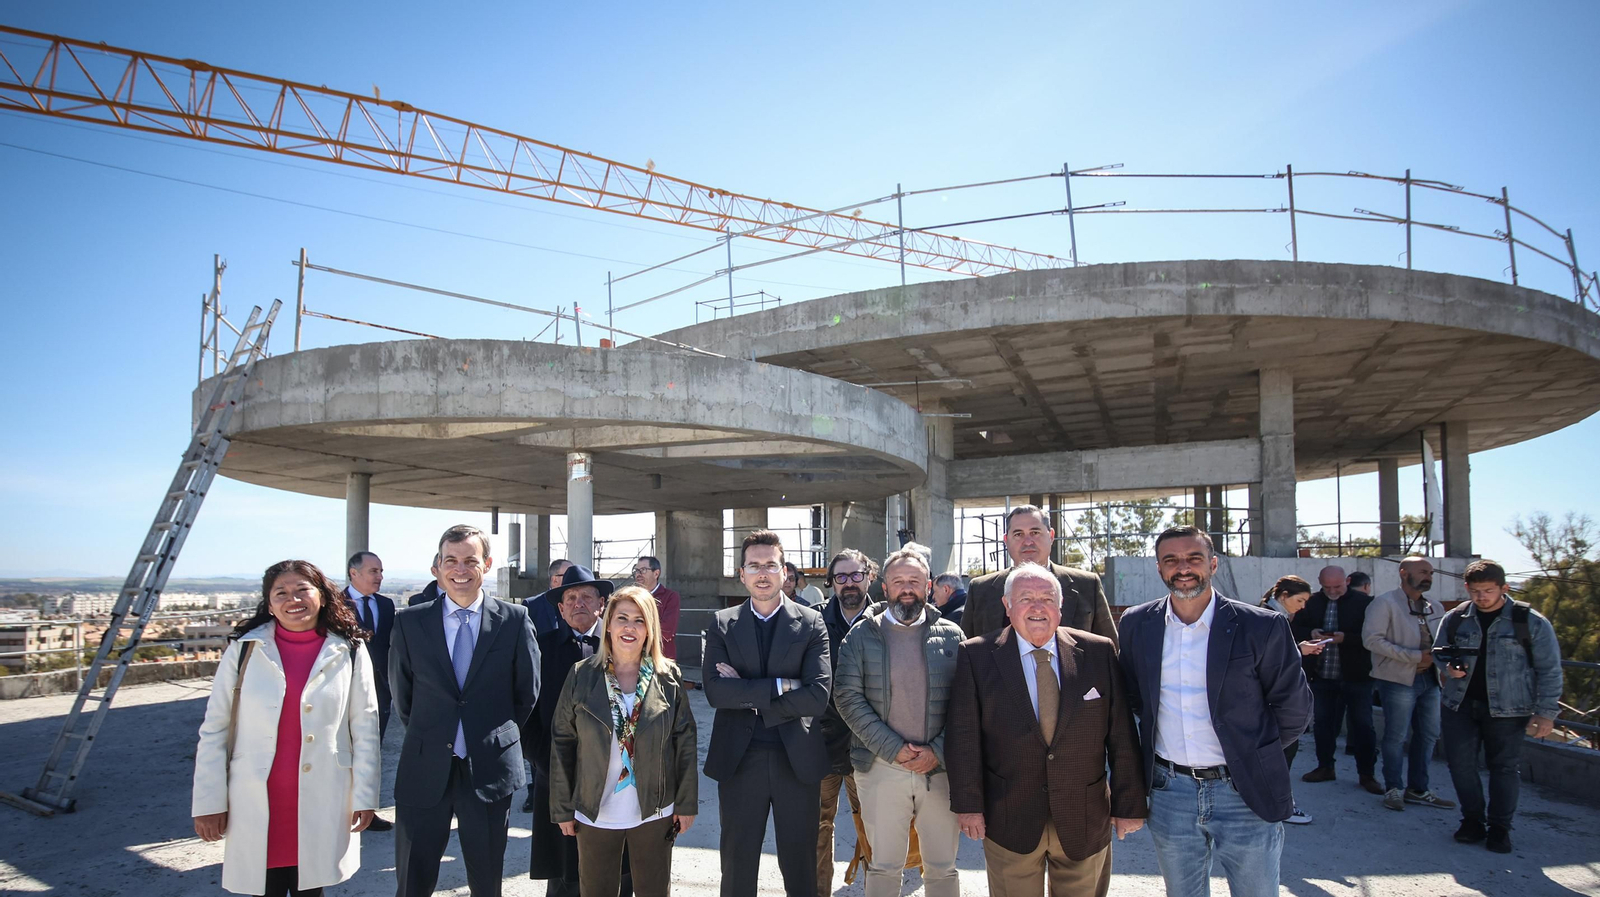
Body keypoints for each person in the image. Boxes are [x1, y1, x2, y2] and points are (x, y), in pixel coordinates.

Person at [1118, 527, 1311, 897]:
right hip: (1169, 792)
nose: (1183, 567)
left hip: (1243, 791)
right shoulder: (1136, 624)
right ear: (1159, 568)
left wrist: (1255, 754)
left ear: (1214, 564)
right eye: (1171, 560)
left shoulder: (1262, 625)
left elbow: (1294, 708)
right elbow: (1135, 696)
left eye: (1194, 558)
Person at [947, 561, 1145, 897]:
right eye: (1025, 598)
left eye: (1047, 598)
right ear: (1007, 606)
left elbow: (1122, 735)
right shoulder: (976, 656)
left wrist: (1129, 806)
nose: (1038, 607)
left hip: (1085, 816)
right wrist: (968, 805)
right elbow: (964, 738)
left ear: (1061, 606)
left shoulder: (1098, 651)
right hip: (1010, 818)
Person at [192, 559, 381, 897]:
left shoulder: (349, 649)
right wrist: (208, 802)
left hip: (323, 794)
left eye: (302, 590)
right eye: (281, 592)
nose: (293, 599)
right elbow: (216, 729)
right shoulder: (244, 649)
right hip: (258, 796)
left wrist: (365, 795)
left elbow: (364, 726)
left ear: (321, 595)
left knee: (311, 887)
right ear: (269, 602)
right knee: (265, 888)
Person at [390, 525, 540, 897]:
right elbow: (402, 695)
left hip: (488, 768)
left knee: (487, 879)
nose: (460, 569)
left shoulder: (514, 620)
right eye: (451, 561)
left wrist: (487, 734)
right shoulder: (409, 622)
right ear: (438, 567)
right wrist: (436, 733)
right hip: (425, 767)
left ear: (486, 565)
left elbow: (527, 692)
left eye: (470, 560)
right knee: (413, 878)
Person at [703, 529, 832, 897]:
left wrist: (744, 687)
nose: (763, 572)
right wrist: (783, 685)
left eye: (771, 565)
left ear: (785, 572)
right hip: (739, 760)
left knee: (800, 864)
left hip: (797, 759)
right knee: (737, 864)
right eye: (754, 565)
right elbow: (714, 691)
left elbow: (818, 696)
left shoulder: (810, 623)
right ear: (741, 573)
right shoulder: (722, 623)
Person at [550, 586, 698, 897]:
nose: (629, 627)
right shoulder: (581, 675)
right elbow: (562, 742)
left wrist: (686, 803)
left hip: (654, 809)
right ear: (608, 623)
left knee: (653, 891)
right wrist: (562, 807)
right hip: (596, 809)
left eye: (639, 620)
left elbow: (684, 743)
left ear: (650, 629)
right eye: (622, 618)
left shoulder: (667, 676)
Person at [833, 548, 965, 897]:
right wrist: (894, 749)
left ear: (929, 585)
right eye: (898, 582)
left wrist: (935, 751)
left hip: (939, 770)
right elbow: (847, 697)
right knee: (884, 866)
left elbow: (967, 705)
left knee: (941, 867)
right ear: (885, 588)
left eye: (914, 581)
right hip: (880, 766)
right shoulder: (860, 637)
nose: (907, 588)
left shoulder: (953, 637)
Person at [1435, 559, 1564, 853]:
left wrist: (1546, 713)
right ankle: (1472, 821)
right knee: (1460, 766)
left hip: (1510, 708)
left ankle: (1500, 828)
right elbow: (1439, 650)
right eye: (1476, 591)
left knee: (1504, 768)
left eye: (1489, 591)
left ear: (1504, 588)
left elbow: (1550, 669)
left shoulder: (1529, 621)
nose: (1482, 597)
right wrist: (1448, 667)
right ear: (1467, 588)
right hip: (1460, 704)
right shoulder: (1456, 618)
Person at [524, 567, 629, 896]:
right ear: (560, 607)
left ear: (602, 603)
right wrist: (550, 763)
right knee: (565, 873)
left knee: (619, 869)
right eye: (570, 598)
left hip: (618, 778)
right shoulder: (539, 649)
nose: (578, 603)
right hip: (557, 775)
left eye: (586, 596)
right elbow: (526, 715)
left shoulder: (624, 646)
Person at [1362, 556, 1455, 813]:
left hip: (1430, 680)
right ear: (1404, 573)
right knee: (1396, 735)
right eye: (1423, 571)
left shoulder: (1435, 607)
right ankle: (1394, 788)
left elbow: (1443, 642)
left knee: (1428, 735)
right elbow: (1372, 641)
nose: (1428, 576)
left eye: (1431, 573)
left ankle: (1418, 788)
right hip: (1398, 680)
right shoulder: (1384, 603)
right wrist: (1414, 657)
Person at [962, 505, 1117, 645]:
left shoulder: (1086, 585)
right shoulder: (980, 590)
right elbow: (965, 655)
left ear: (1051, 536)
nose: (1028, 541)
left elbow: (1111, 652)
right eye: (1018, 534)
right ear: (1006, 540)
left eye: (1035, 533)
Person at [815, 548, 877, 897]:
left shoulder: (885, 621)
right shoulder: (812, 622)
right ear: (831, 582)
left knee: (876, 831)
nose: (849, 583)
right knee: (818, 829)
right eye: (841, 577)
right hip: (822, 743)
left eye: (856, 575)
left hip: (871, 745)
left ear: (870, 576)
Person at [1292, 566, 1381, 796]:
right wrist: (1311, 632)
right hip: (1322, 676)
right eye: (1327, 587)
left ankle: (1366, 774)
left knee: (1362, 725)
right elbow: (1293, 629)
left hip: (1357, 677)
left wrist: (1345, 639)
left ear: (1347, 581)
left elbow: (1374, 637)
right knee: (1323, 724)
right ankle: (1325, 767)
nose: (1332, 591)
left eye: (1337, 587)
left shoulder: (1365, 604)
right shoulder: (1312, 603)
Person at [1258, 575, 1324, 825]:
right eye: (1300, 600)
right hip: (1273, 699)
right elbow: (1266, 657)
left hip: (1275, 697)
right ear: (1283, 596)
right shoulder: (1269, 617)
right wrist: (1300, 650)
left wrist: (1297, 648)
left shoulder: (1275, 617)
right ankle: (1279, 805)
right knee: (1282, 751)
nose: (1303, 606)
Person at [345, 551, 397, 832]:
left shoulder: (386, 605)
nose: (379, 576)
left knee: (371, 749)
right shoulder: (334, 604)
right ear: (354, 573)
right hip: (346, 690)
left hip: (381, 691)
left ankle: (367, 810)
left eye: (380, 571)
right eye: (373, 571)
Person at [632, 556, 681, 661]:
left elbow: (667, 630)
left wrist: (635, 631)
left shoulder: (670, 597)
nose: (639, 574)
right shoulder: (630, 597)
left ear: (656, 573)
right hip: (633, 657)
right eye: (636, 570)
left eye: (643, 570)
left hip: (660, 658)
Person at [525, 559, 576, 635]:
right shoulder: (532, 605)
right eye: (568, 575)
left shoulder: (579, 603)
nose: (573, 579)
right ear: (554, 580)